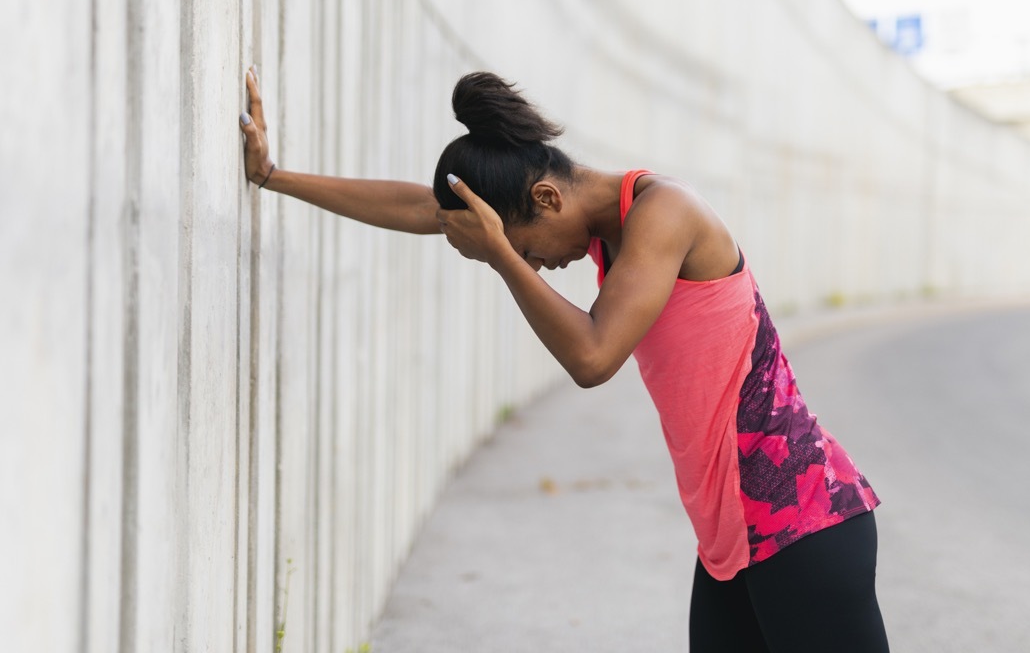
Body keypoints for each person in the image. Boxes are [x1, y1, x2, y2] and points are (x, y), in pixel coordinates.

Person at [239, 67, 889, 652]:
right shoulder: (610, 226)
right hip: (733, 538)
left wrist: (500, 257)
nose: (532, 262)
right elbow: (422, 208)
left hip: (802, 523)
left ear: (548, 199)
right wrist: (273, 176)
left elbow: (593, 357)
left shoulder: (666, 214)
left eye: (525, 247)